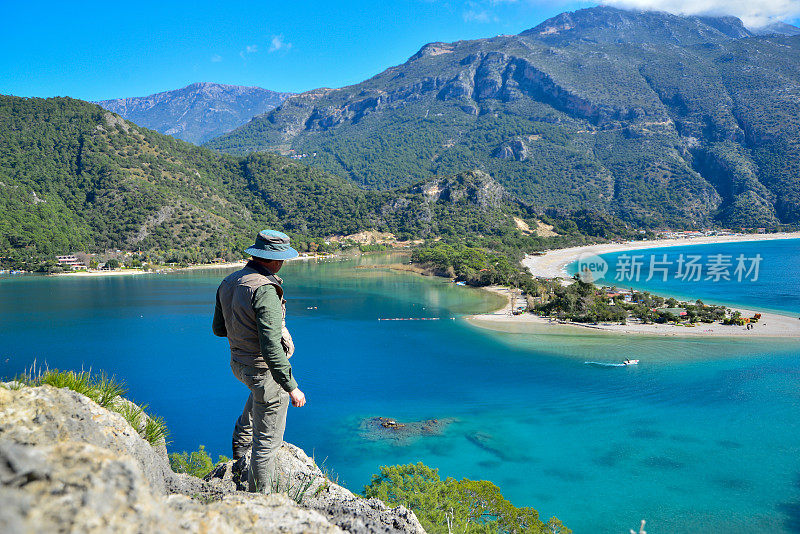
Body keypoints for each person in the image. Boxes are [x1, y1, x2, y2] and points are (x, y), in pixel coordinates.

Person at [212, 229, 306, 492]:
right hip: (265, 371)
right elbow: (271, 347)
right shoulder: (265, 289)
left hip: (239, 365)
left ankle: (239, 452)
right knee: (267, 444)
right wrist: (291, 386)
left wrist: (243, 328)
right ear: (275, 260)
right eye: (283, 258)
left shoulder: (230, 281)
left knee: (256, 401)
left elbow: (219, 329)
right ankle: (261, 501)